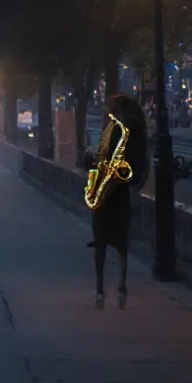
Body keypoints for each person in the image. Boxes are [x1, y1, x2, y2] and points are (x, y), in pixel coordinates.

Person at [84, 93, 148, 307]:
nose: (107, 111)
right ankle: (120, 283)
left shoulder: (119, 129)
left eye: (109, 108)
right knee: (121, 243)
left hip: (112, 190)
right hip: (118, 192)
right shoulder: (130, 130)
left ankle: (101, 287)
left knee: (103, 241)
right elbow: (140, 163)